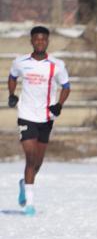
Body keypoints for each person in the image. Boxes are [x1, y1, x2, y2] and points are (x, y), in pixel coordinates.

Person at [7, 26, 70, 216]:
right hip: (26, 114)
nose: (40, 42)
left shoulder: (56, 64)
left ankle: (24, 183)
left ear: (48, 41)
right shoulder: (20, 62)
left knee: (38, 162)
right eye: (36, 39)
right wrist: (11, 94)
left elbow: (66, 86)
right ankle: (29, 205)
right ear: (31, 41)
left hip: (46, 117)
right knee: (30, 157)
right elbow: (12, 77)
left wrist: (59, 104)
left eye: (43, 40)